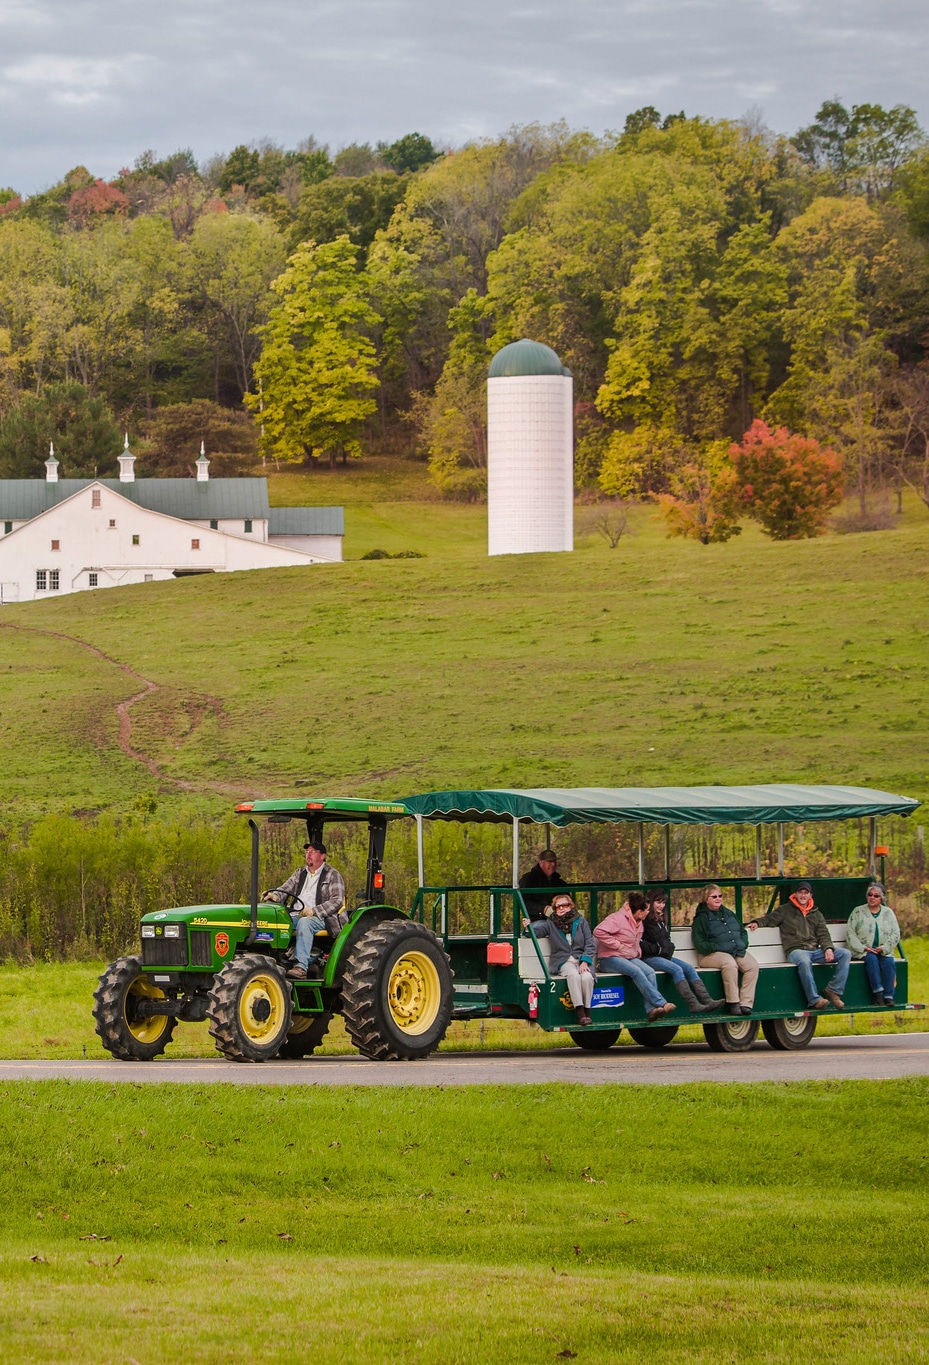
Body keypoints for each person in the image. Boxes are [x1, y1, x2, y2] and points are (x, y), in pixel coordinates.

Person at [747, 880, 851, 1011]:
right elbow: (769, 919)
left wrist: (828, 949)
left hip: (814, 950)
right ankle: (814, 999)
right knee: (804, 960)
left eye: (806, 893)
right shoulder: (785, 910)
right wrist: (756, 922)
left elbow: (823, 934)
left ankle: (833, 990)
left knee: (845, 954)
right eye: (800, 892)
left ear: (810, 895)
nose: (803, 896)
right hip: (796, 951)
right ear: (795, 894)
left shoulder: (816, 914)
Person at [592, 890, 677, 1022]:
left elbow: (636, 941)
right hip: (609, 958)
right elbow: (598, 931)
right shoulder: (617, 919)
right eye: (647, 910)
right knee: (636, 971)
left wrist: (637, 953)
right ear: (639, 911)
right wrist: (617, 945)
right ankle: (661, 1003)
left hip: (628, 957)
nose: (649, 912)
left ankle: (651, 1010)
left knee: (649, 972)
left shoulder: (639, 922)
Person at [267, 841, 347, 980]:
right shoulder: (300, 873)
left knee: (305, 923)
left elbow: (337, 900)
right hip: (298, 914)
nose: (308, 855)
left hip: (324, 918)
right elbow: (285, 889)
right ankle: (279, 961)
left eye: (313, 852)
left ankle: (301, 967)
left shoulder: (332, 874)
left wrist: (314, 911)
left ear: (322, 856)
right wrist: (275, 896)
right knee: (277, 922)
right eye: (307, 852)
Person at [640, 888, 725, 1013]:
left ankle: (707, 1000)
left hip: (664, 956)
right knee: (677, 969)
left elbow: (665, 939)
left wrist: (669, 947)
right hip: (649, 958)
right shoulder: (644, 919)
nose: (661, 906)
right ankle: (693, 1003)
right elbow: (641, 943)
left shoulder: (662, 919)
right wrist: (659, 949)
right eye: (658, 902)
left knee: (689, 968)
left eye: (663, 903)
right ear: (650, 902)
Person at [524, 893, 595, 1026]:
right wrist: (528, 927)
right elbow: (536, 932)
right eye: (558, 907)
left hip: (580, 960)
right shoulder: (551, 923)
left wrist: (585, 961)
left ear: (571, 906)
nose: (561, 908)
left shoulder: (581, 921)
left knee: (586, 977)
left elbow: (590, 944)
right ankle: (580, 1013)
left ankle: (587, 1011)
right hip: (563, 961)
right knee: (573, 975)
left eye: (565, 905)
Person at [691, 884, 760, 1016]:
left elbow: (742, 931)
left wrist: (742, 944)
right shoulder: (701, 918)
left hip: (734, 951)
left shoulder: (729, 914)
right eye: (714, 896)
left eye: (720, 896)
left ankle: (745, 1004)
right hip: (709, 955)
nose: (718, 899)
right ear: (706, 899)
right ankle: (733, 1002)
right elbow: (700, 944)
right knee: (729, 964)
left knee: (752, 966)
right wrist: (718, 947)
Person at [846, 882, 901, 1006]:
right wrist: (863, 947)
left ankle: (889, 996)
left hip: (882, 950)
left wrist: (884, 948)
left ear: (881, 898)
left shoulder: (888, 913)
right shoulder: (858, 911)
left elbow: (895, 933)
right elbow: (850, 933)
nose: (872, 898)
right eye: (870, 895)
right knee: (871, 960)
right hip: (863, 950)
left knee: (889, 962)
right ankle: (878, 993)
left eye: (876, 896)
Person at [518, 849, 567, 922]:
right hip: (536, 920)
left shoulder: (559, 882)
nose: (553, 864)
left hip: (559, 920)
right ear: (541, 863)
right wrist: (543, 910)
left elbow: (567, 899)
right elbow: (524, 902)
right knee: (544, 927)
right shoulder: (529, 879)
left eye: (554, 861)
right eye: (550, 861)